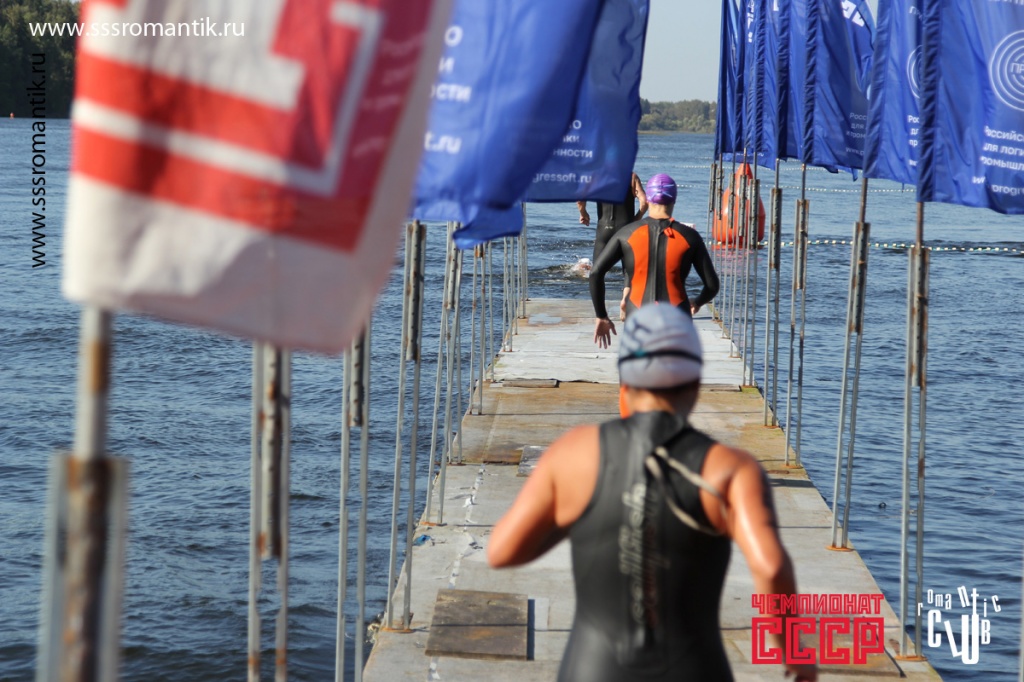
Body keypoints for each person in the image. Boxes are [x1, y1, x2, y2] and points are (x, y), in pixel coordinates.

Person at [487, 304, 816, 682]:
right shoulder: (730, 469)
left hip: (593, 669)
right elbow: (771, 567)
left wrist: (578, 518)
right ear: (695, 382)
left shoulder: (574, 453)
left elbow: (502, 551)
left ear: (625, 381)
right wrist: (794, 652)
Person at [589, 173, 719, 349]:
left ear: (649, 198)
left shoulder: (626, 234)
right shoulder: (690, 237)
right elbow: (712, 285)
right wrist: (697, 302)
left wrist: (601, 315)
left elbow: (596, 273)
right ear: (674, 199)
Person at [577, 172, 648, 263]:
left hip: (604, 229)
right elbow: (644, 202)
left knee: (597, 269)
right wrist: (637, 218)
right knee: (629, 269)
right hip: (626, 229)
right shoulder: (631, 176)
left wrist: (583, 213)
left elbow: (580, 200)